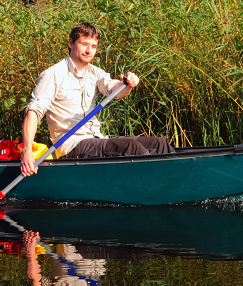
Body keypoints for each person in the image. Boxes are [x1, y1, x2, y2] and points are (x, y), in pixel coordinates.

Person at [20, 23, 172, 176]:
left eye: (93, 46)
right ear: (71, 43)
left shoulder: (95, 73)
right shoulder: (53, 74)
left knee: (159, 144)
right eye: (84, 44)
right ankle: (156, 182)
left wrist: (128, 84)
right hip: (72, 145)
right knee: (130, 147)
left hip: (96, 138)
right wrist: (27, 152)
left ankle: (174, 179)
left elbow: (115, 89)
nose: (89, 50)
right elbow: (33, 112)